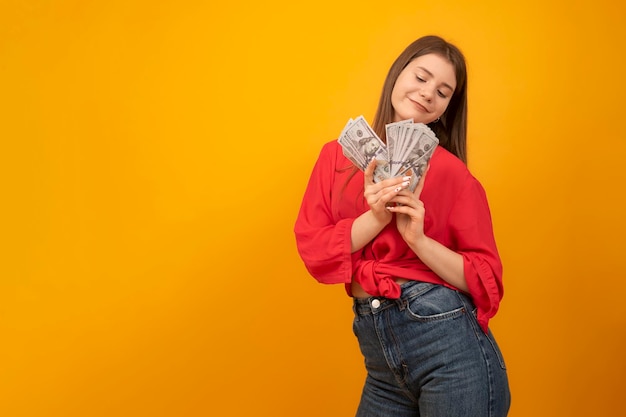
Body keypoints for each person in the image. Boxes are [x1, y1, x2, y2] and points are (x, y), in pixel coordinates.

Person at [294, 35, 511, 417]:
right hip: (382, 362)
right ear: (397, 75)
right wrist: (376, 218)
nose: (428, 94)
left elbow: (485, 277)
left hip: (450, 348)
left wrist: (419, 239)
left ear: (446, 108)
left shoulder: (453, 175)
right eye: (421, 77)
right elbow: (314, 249)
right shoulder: (338, 156)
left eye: (443, 92)